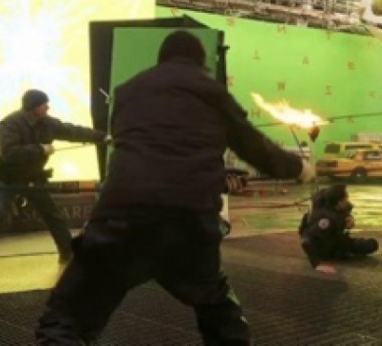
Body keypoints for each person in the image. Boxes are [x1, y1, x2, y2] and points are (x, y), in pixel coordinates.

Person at [36, 30, 314, 345]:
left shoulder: (127, 91)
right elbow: (256, 149)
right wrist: (300, 168)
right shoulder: (212, 91)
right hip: (188, 225)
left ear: (162, 59)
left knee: (66, 320)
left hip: (119, 221)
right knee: (220, 316)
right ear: (201, 61)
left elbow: (150, 154)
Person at [0, 90, 107, 263]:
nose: (47, 107)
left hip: (31, 178)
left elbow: (72, 131)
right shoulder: (9, 124)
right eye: (44, 104)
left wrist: (101, 137)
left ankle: (68, 252)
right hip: (4, 178)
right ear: (34, 107)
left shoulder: (48, 123)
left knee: (51, 213)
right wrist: (40, 149)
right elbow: (8, 153)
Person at [298, 184, 378, 274]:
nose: (347, 201)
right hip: (324, 248)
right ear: (339, 202)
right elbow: (306, 240)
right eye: (345, 199)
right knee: (370, 245)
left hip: (332, 237)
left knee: (371, 244)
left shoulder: (329, 202)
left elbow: (346, 209)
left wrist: (349, 218)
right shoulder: (328, 220)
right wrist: (317, 265)